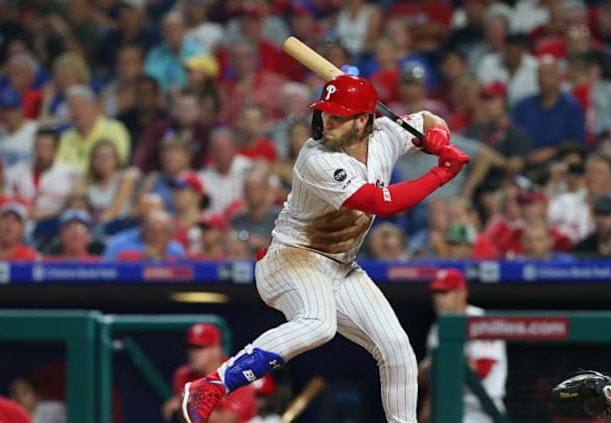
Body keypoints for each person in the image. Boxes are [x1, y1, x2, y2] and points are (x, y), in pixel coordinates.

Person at [180, 74, 470, 423]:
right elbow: (381, 202)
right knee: (319, 324)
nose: (327, 121)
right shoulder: (315, 157)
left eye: (338, 115)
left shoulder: (387, 135)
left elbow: (426, 119)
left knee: (398, 351)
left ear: (364, 121)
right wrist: (440, 173)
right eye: (325, 112)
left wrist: (438, 135)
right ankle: (213, 384)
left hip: (341, 265)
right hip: (291, 258)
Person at [419, 268, 507, 423]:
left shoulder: (481, 321)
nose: (438, 299)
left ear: (462, 293)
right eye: (435, 293)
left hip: (483, 411)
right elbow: (424, 378)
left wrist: (437, 367)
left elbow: (482, 368)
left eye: (445, 292)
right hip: (448, 409)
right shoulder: (437, 328)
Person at [162, 323, 256, 423]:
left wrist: (186, 406)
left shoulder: (236, 372)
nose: (193, 353)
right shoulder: (182, 375)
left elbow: (226, 420)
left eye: (199, 348)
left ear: (216, 349)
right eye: (190, 347)